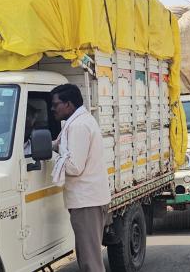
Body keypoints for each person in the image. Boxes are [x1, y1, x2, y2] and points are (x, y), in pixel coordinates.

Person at [51, 84, 111, 272]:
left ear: (68, 104)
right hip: (87, 200)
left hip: (87, 202)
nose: (52, 108)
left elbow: (75, 167)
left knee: (90, 261)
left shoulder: (78, 126)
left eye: (55, 104)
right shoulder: (78, 121)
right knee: (87, 256)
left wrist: (55, 158)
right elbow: (60, 145)